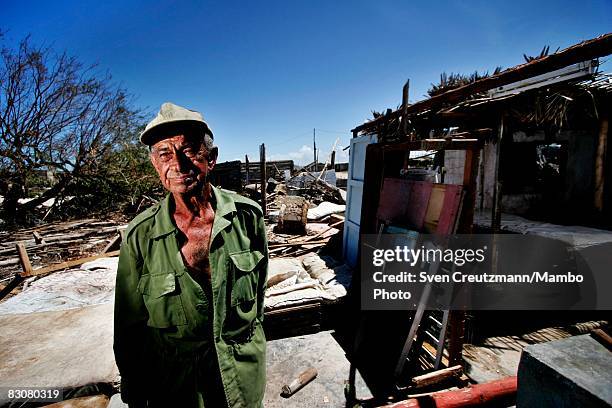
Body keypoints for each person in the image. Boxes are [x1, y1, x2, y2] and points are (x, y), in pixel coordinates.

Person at [113, 102, 268, 408]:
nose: (179, 166)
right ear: (155, 166)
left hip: (241, 381)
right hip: (175, 389)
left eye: (190, 151)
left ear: (211, 158)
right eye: (164, 154)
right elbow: (129, 327)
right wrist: (135, 391)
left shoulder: (248, 218)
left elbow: (259, 300)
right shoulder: (140, 236)